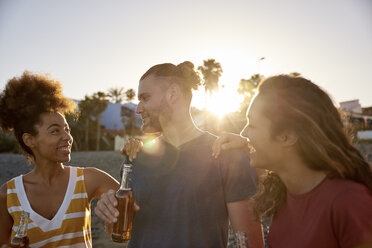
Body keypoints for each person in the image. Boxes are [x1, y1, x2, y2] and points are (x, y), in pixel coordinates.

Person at [94, 62, 264, 248]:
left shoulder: (225, 154)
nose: (138, 109)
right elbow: (120, 233)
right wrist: (110, 215)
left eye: (145, 98)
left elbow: (249, 241)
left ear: (173, 94)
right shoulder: (136, 159)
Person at [212, 75, 372, 248]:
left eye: (252, 124)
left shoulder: (349, 203)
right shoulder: (286, 194)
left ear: (287, 136)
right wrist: (247, 147)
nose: (243, 133)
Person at [0, 72, 120, 247]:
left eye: (67, 129)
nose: (67, 137)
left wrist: (112, 220)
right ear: (29, 140)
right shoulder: (7, 195)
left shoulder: (90, 179)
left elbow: (130, 216)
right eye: (55, 131)